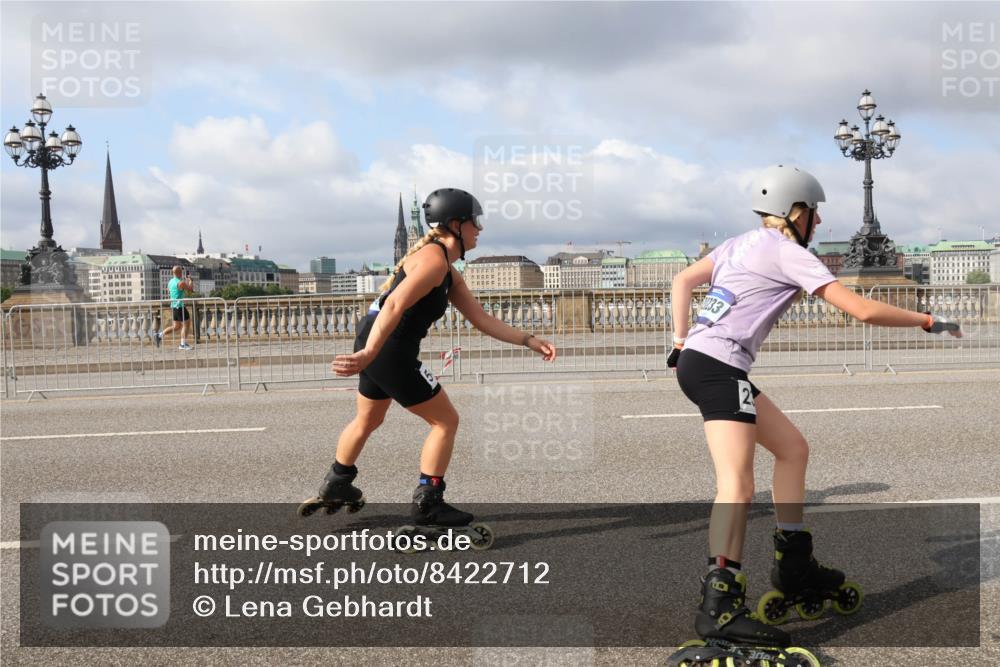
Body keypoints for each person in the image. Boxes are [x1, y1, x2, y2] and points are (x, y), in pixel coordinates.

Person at [667, 165, 961, 652]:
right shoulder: (785, 252)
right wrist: (929, 319)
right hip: (719, 368)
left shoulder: (739, 243)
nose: (819, 223)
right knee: (737, 484)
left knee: (792, 449)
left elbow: (681, 281)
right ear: (794, 212)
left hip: (704, 361)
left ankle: (795, 563)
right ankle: (719, 607)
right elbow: (862, 309)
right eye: (815, 213)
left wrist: (680, 341)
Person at [300, 188, 557, 533]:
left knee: (367, 419)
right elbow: (394, 305)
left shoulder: (446, 270)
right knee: (446, 421)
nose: (480, 229)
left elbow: (482, 319)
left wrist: (529, 340)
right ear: (455, 225)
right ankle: (429, 503)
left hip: (377, 342)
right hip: (387, 348)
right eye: (475, 222)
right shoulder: (434, 261)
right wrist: (369, 354)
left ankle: (337, 482)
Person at [155, 266, 195, 350]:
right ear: (177, 273)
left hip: (173, 305)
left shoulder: (170, 282)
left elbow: (168, 291)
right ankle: (183, 344)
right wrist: (191, 281)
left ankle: (159, 335)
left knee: (176, 326)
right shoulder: (180, 283)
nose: (181, 274)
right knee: (187, 324)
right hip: (179, 306)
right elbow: (190, 289)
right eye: (181, 272)